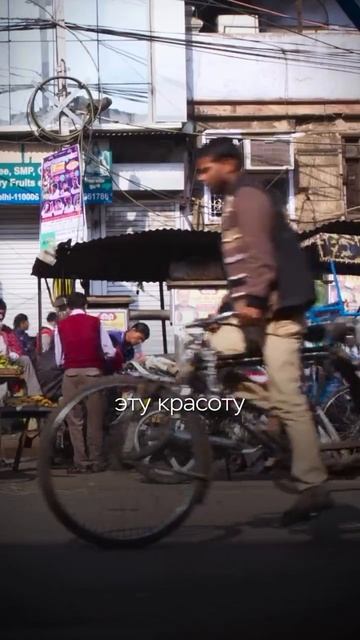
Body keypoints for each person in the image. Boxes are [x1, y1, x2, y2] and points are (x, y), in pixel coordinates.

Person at [196, 137, 332, 526]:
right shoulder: (234, 202)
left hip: (279, 312)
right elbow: (243, 263)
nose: (203, 178)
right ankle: (278, 417)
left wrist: (252, 296)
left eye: (206, 170)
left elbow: (260, 255)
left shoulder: (250, 196)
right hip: (255, 312)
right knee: (211, 350)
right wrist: (229, 302)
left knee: (288, 395)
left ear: (227, 164)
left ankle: (313, 483)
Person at [54, 292, 118, 473]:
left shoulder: (61, 325)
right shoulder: (95, 322)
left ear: (68, 307)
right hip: (93, 374)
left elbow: (59, 359)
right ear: (85, 305)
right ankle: (96, 461)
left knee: (74, 421)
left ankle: (80, 462)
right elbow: (110, 351)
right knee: (95, 419)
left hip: (71, 375)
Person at [0, 304, 43, 397]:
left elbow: (16, 346)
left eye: (2, 315)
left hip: (7, 361)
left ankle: (35, 394)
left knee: (25, 359)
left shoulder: (7, 330)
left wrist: (13, 353)